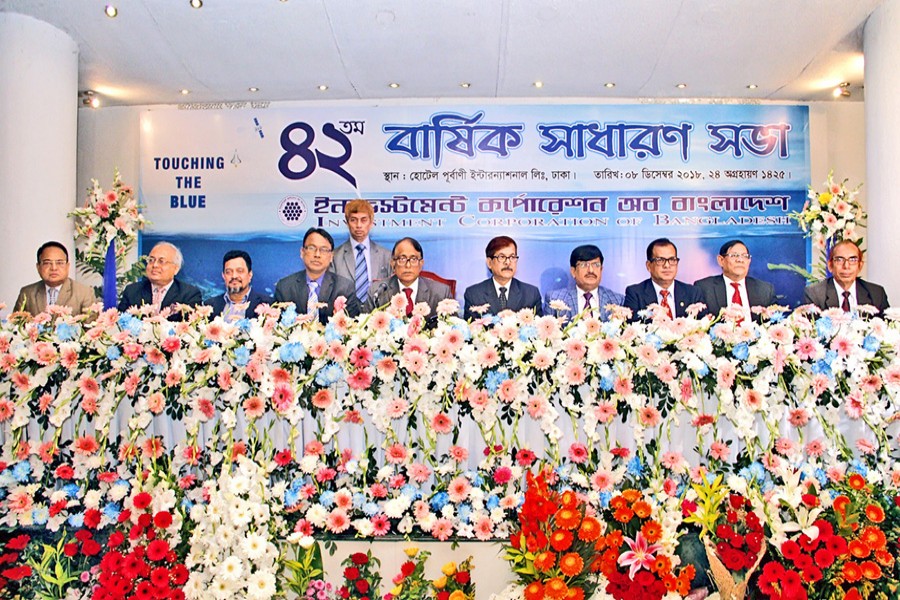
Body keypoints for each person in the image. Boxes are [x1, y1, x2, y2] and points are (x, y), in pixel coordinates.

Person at [274, 227, 361, 322]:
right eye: (312, 248)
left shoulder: (345, 288)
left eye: (324, 250)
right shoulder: (285, 287)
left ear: (331, 256)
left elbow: (352, 326)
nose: (317, 254)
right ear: (302, 252)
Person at [364, 237, 453, 317]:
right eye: (402, 259)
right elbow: (365, 326)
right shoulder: (378, 292)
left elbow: (454, 327)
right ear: (393, 263)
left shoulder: (441, 293)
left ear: (421, 264)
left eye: (413, 259)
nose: (408, 265)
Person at [463, 236, 542, 319]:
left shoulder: (531, 294)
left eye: (512, 257)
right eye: (502, 257)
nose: (508, 262)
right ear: (489, 263)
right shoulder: (474, 294)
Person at [624, 238, 706, 319]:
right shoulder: (635, 294)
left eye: (672, 260)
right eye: (660, 260)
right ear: (648, 266)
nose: (667, 265)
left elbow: (703, 325)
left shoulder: (693, 293)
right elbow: (632, 324)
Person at [330, 199, 392, 304]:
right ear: (347, 223)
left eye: (363, 220)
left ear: (371, 223)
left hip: (379, 312)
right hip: (345, 312)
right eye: (353, 220)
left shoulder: (386, 255)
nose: (358, 225)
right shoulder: (335, 257)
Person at [694, 239, 775, 320]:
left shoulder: (765, 290)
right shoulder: (704, 288)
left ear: (749, 261)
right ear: (721, 260)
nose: (740, 260)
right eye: (734, 255)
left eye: (745, 256)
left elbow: (775, 322)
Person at [803, 239, 889, 314]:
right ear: (830, 266)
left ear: (860, 266)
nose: (846, 266)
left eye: (852, 260)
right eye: (840, 260)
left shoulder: (876, 294)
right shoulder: (815, 294)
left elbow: (888, 326)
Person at [543, 244, 624, 321]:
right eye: (584, 265)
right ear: (573, 271)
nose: (591, 270)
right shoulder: (554, 299)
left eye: (596, 265)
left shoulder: (617, 300)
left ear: (601, 270)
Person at [15, 241, 96, 315]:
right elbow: (16, 324)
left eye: (59, 263)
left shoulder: (84, 293)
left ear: (67, 266)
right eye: (47, 263)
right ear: (38, 267)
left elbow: (91, 325)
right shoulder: (27, 293)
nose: (54, 268)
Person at [118, 241, 202, 312]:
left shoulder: (189, 294)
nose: (155, 265)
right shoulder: (132, 291)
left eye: (161, 261)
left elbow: (191, 324)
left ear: (176, 269)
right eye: (151, 260)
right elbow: (120, 323)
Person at [206, 250, 272, 322]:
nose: (234, 276)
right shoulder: (209, 306)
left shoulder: (267, 305)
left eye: (240, 271)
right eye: (228, 272)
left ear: (250, 275)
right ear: (223, 276)